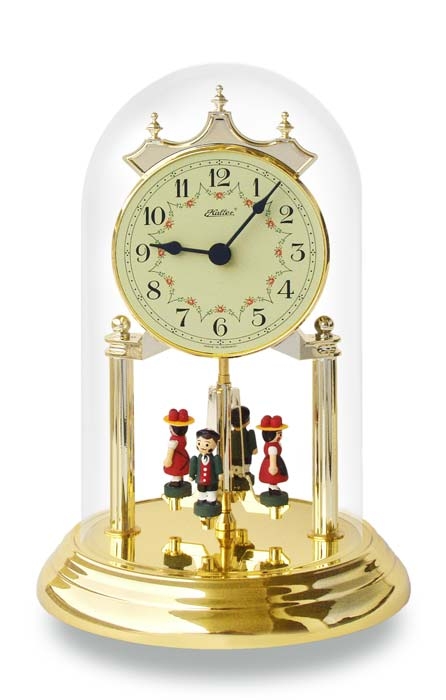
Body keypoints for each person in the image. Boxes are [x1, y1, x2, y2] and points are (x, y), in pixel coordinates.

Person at [189, 428, 223, 517]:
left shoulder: (215, 458)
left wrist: (219, 473)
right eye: (199, 443)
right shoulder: (196, 458)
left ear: (215, 445)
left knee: (211, 490)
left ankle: (211, 500)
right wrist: (191, 475)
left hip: (212, 480)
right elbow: (193, 467)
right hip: (200, 480)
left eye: (207, 444)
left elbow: (218, 466)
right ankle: (202, 499)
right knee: (201, 490)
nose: (202, 446)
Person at [257, 414, 289, 507]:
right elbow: (273, 458)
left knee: (274, 479)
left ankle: (273, 487)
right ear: (271, 435)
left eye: (280, 433)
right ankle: (273, 488)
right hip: (272, 464)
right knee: (273, 478)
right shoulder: (272, 447)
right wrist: (273, 467)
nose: (280, 436)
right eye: (279, 433)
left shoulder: (273, 445)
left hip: (272, 462)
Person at [162, 408, 194, 498]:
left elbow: (170, 453)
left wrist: (168, 460)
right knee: (181, 468)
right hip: (183, 456)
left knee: (176, 470)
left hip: (176, 458)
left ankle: (176, 481)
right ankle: (180, 479)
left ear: (172, 428)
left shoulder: (173, 441)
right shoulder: (184, 437)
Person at [231, 405, 257, 490]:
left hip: (232, 460)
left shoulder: (230, 434)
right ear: (247, 421)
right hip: (245, 459)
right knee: (243, 472)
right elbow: (254, 451)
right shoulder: (250, 433)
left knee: (235, 471)